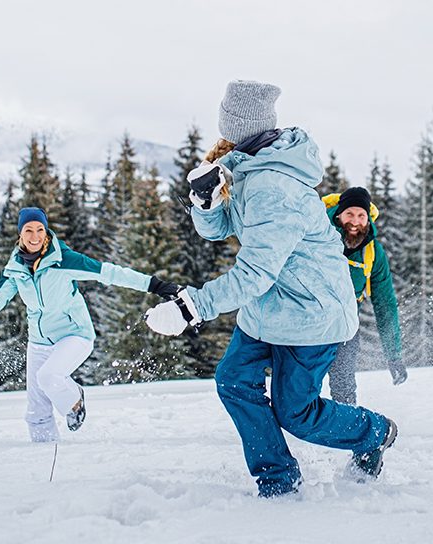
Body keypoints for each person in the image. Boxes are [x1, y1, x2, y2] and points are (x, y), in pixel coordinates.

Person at [143, 80, 397, 498]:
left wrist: (192, 308)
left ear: (239, 125)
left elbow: (254, 274)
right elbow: (222, 229)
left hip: (310, 316)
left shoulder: (274, 187)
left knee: (297, 414)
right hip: (268, 310)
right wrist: (206, 206)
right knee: (233, 380)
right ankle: (278, 478)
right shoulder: (249, 168)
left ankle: (374, 432)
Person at [0, 207, 180, 443]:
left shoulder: (63, 260)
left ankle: (75, 400)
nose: (35, 236)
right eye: (28, 230)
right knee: (36, 410)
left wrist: (155, 285)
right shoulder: (16, 269)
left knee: (49, 376)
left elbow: (110, 273)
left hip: (75, 335)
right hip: (38, 342)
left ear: (46, 232)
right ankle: (44, 457)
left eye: (40, 230)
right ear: (20, 235)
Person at [321, 187, 407, 406]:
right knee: (301, 380)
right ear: (339, 214)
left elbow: (385, 305)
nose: (355, 221)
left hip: (346, 325)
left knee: (344, 382)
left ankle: (347, 428)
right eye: (350, 214)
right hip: (310, 320)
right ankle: (300, 423)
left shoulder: (373, 253)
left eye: (361, 215)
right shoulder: (317, 234)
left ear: (368, 218)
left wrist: (393, 355)